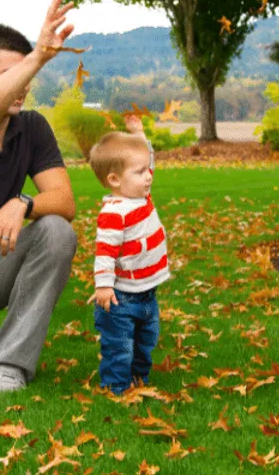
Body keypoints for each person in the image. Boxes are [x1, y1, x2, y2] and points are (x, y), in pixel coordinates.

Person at [0, 0, 78, 392]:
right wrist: (38, 56)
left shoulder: (31, 127)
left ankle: (8, 365)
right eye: (10, 77)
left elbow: (64, 202)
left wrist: (22, 203)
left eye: (27, 78)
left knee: (56, 231)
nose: (22, 87)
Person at [89, 116, 170, 395]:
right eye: (140, 172)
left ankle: (139, 379)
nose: (149, 176)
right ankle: (116, 388)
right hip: (121, 298)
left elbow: (147, 163)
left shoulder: (141, 196)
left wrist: (140, 135)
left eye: (148, 170)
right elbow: (105, 252)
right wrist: (103, 285)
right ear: (114, 179)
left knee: (146, 341)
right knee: (120, 345)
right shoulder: (115, 212)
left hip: (147, 293)